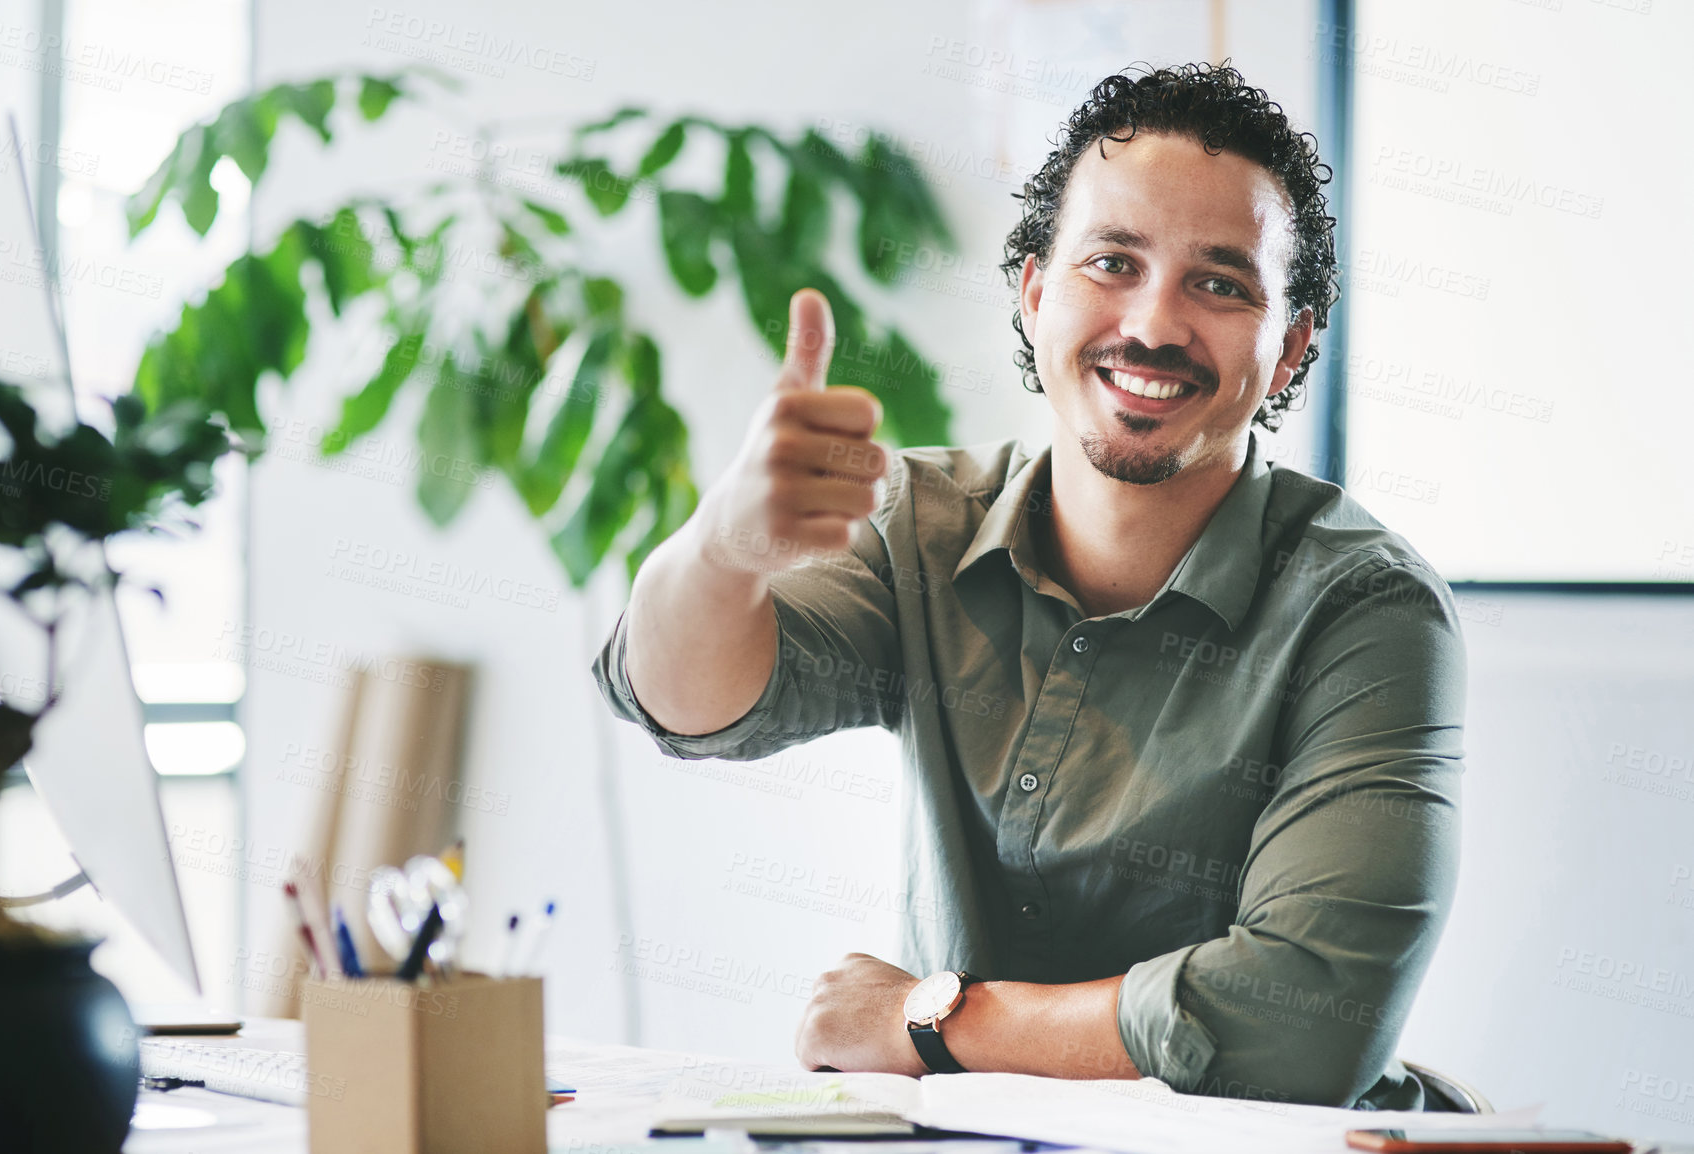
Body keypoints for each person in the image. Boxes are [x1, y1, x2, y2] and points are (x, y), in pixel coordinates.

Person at [591, 62, 1464, 1109]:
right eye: (1111, 260)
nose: (1153, 323)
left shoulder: (1366, 611)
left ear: (1288, 349)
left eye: (1221, 283)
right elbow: (691, 702)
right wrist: (721, 549)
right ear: (1035, 291)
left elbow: (1302, 1022)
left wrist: (931, 1017)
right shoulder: (916, 524)